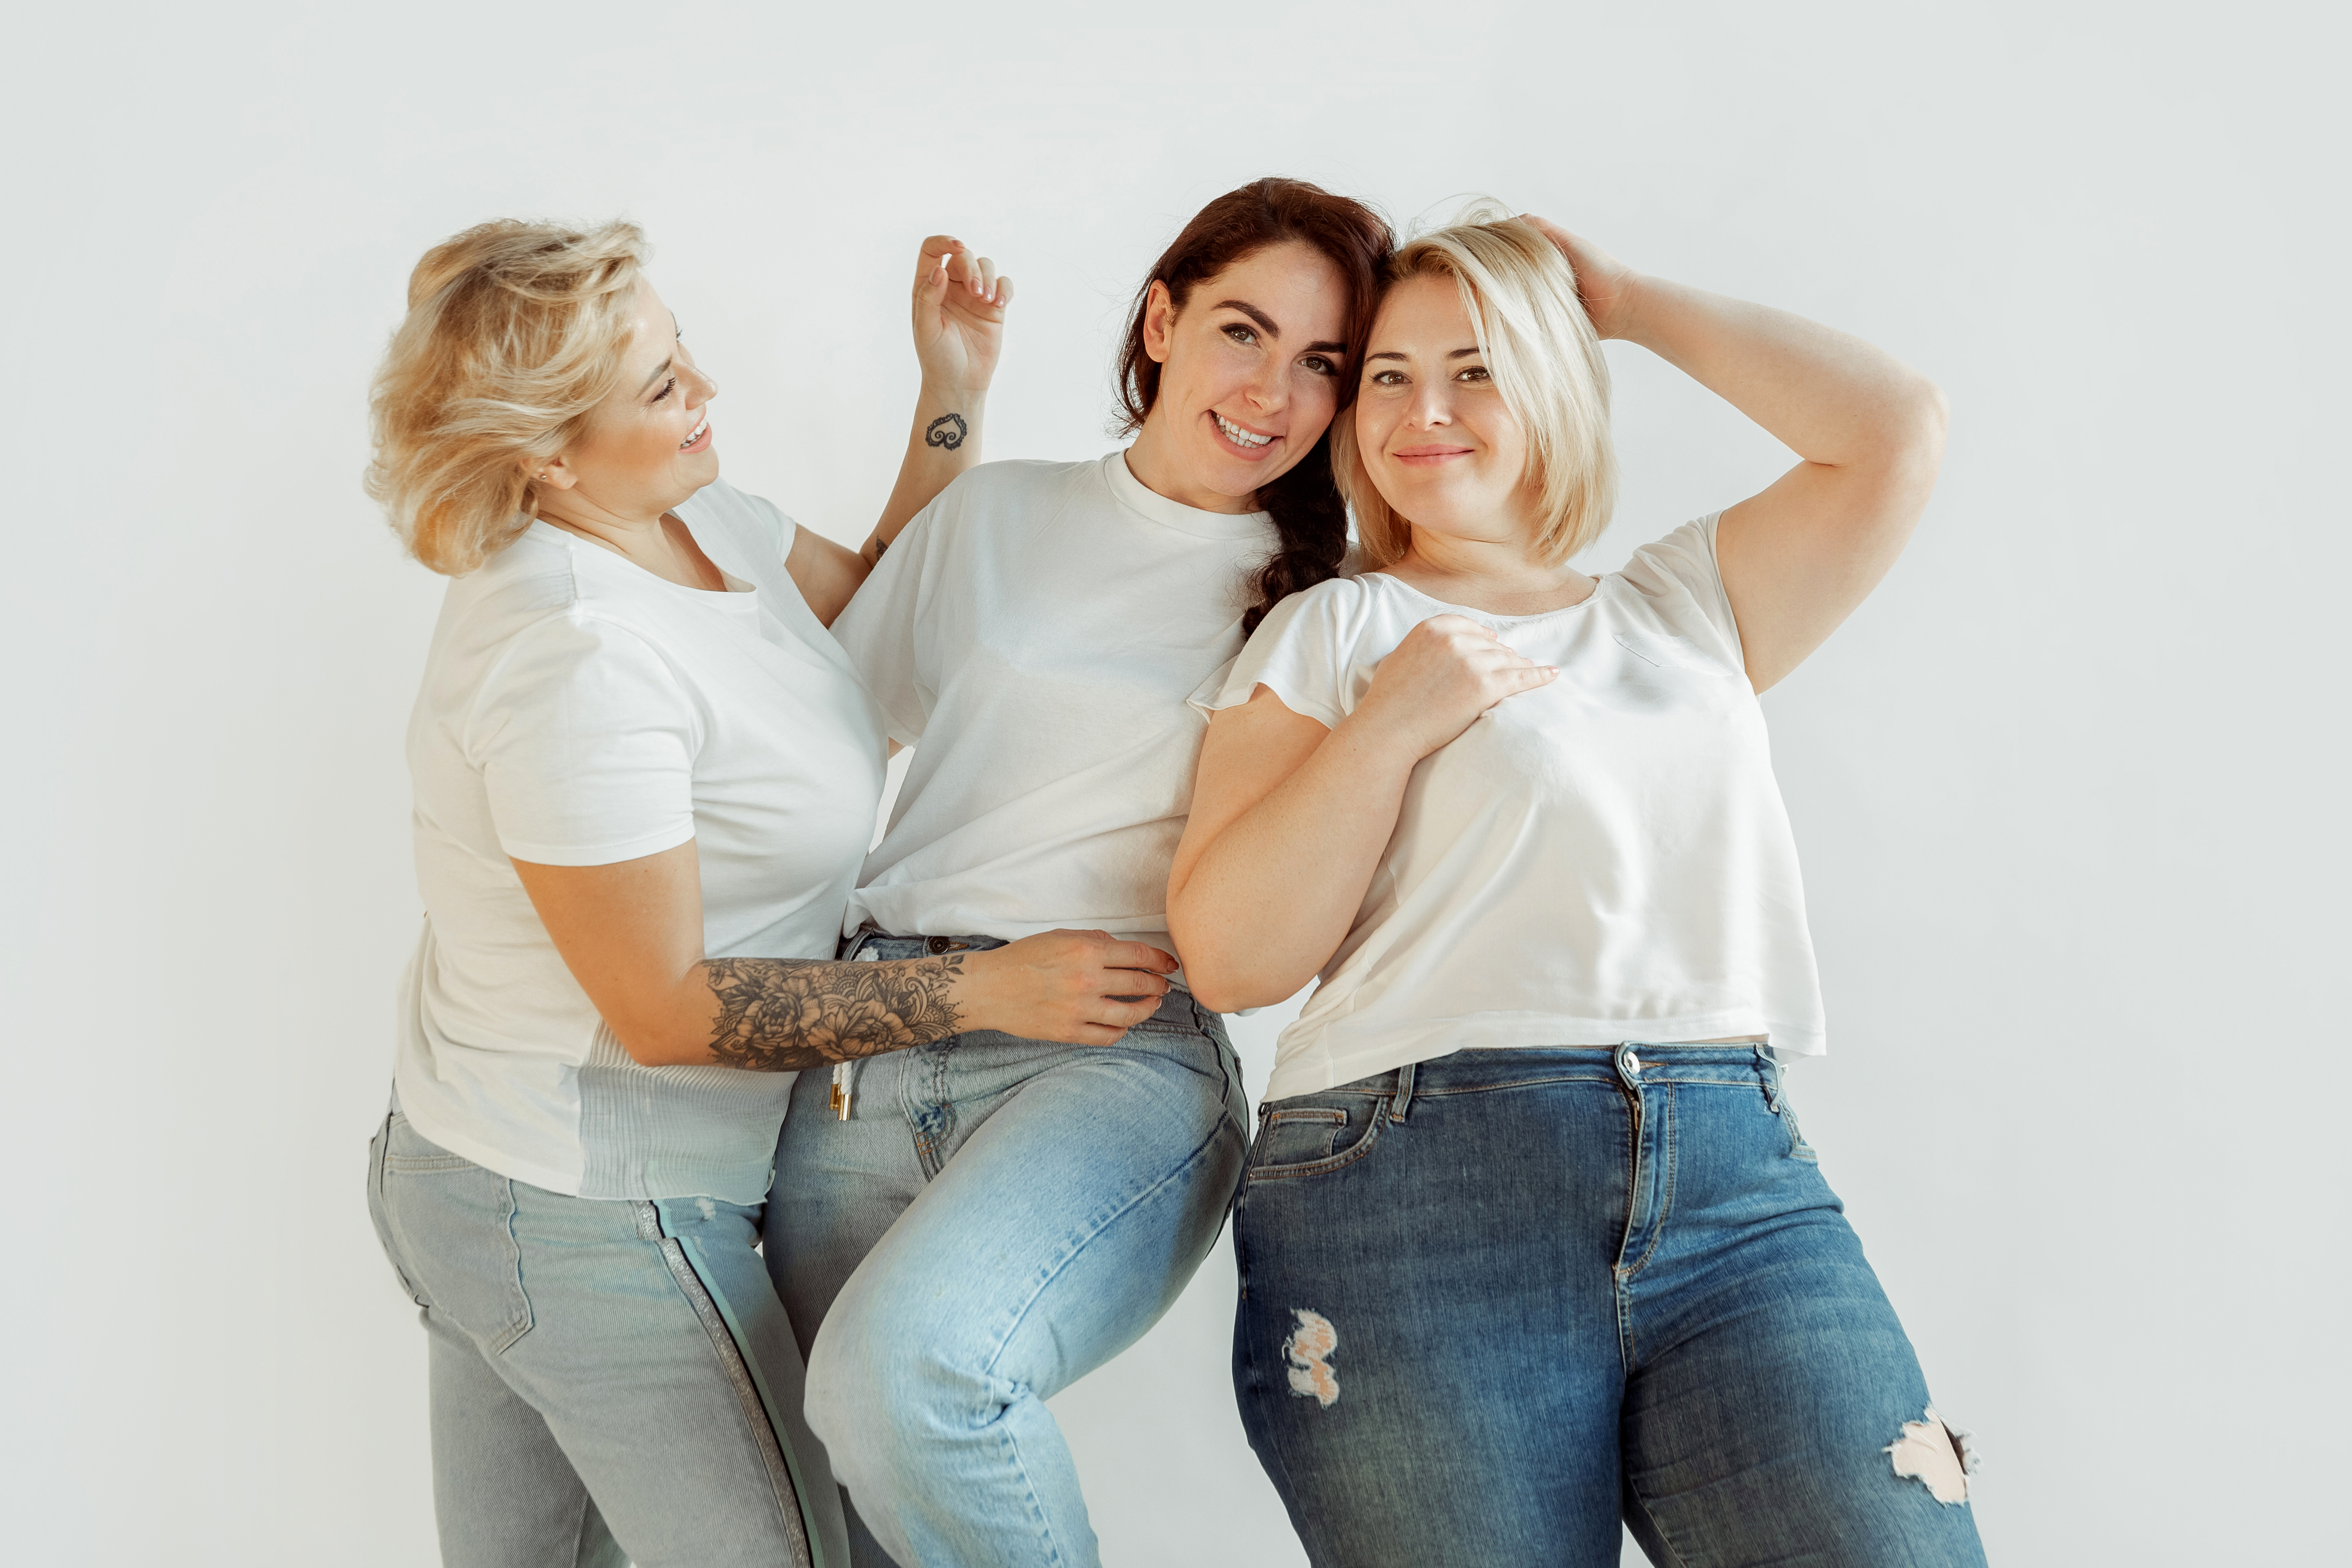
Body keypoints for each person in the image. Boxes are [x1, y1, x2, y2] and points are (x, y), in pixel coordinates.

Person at [1167, 208, 1985, 1568]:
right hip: (1415, 1186)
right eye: (1386, 376)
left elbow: (1897, 428)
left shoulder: (1684, 608)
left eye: (1476, 368)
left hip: (1735, 1179)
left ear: (1554, 378)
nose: (1423, 411)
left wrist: (1621, 296)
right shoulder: (1339, 628)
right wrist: (1392, 722)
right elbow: (1235, 954)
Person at [363, 218, 1176, 1568]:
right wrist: (981, 987)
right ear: (545, 453)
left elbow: (868, 645)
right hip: (582, 1203)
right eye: (663, 388)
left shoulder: (697, 520)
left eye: (685, 355)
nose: (707, 393)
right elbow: (667, 1011)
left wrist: (951, 395)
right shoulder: (576, 657)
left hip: (495, 1171)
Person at [763, 177, 1394, 1568]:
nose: (1274, 391)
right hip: (871, 1040)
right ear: (1161, 321)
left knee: (907, 1381)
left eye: (1323, 365)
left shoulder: (1332, 603)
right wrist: (950, 397)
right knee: (852, 1512)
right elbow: (841, 707)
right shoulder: (997, 513)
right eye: (1243, 331)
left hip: (1110, 1049)